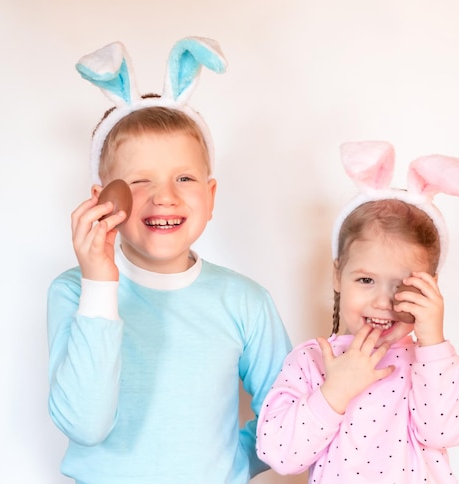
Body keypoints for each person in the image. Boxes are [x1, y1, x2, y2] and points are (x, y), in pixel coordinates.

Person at [47, 37, 292, 484]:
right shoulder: (73, 291)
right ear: (103, 200)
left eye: (184, 177)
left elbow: (289, 418)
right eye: (140, 180)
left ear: (211, 196)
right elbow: (84, 424)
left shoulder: (245, 302)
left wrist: (232, 461)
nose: (165, 196)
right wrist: (99, 285)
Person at [256, 141, 459, 483]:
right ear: (337, 275)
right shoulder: (313, 360)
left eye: (403, 285)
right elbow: (278, 454)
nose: (383, 302)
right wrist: (335, 392)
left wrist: (433, 341)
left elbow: (446, 432)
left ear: (430, 287)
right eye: (365, 280)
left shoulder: (428, 363)